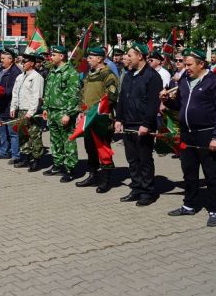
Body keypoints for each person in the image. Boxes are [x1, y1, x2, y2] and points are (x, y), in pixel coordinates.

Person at [161, 49, 216, 227]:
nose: (186, 68)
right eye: (185, 64)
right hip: (187, 134)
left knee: (211, 174)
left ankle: (215, 210)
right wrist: (167, 100)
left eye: (189, 64)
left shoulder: (215, 82)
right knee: (189, 173)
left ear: (201, 64)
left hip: (207, 134)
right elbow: (180, 105)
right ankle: (189, 204)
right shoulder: (184, 81)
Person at [115, 43, 163, 206]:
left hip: (142, 125)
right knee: (132, 160)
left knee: (144, 159)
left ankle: (147, 191)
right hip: (128, 123)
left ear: (140, 56)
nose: (126, 58)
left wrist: (147, 123)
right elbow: (122, 98)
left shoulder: (152, 76)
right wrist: (119, 119)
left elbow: (153, 103)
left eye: (129, 55)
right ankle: (136, 188)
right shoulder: (128, 75)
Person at [76, 47, 119, 193]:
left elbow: (111, 97)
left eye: (90, 57)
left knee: (103, 150)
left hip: (102, 119)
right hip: (88, 119)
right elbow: (83, 94)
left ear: (99, 59)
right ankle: (93, 175)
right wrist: (82, 111)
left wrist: (97, 109)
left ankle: (106, 180)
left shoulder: (108, 75)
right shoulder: (89, 74)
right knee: (90, 149)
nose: (87, 59)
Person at [42, 46, 81, 182]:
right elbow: (48, 91)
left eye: (53, 55)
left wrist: (69, 114)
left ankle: (70, 169)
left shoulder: (70, 73)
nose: (51, 57)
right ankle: (57, 164)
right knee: (55, 140)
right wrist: (45, 107)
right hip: (52, 112)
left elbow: (74, 95)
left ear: (62, 56)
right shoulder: (52, 71)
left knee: (68, 140)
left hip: (64, 112)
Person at [10, 53, 45, 170]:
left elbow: (37, 97)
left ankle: (36, 159)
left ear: (32, 63)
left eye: (25, 61)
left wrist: (31, 112)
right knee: (23, 134)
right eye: (22, 61)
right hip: (21, 109)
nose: (23, 63)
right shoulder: (20, 77)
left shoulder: (36, 77)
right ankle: (25, 156)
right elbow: (15, 93)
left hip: (31, 112)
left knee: (34, 135)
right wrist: (13, 107)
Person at [0, 49, 22, 159]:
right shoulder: (0, 70)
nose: (1, 60)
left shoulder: (15, 72)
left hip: (9, 106)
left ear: (11, 60)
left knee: (12, 132)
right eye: (1, 58)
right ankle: (4, 151)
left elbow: (13, 90)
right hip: (0, 105)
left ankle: (15, 155)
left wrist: (1, 92)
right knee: (2, 131)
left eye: (4, 58)